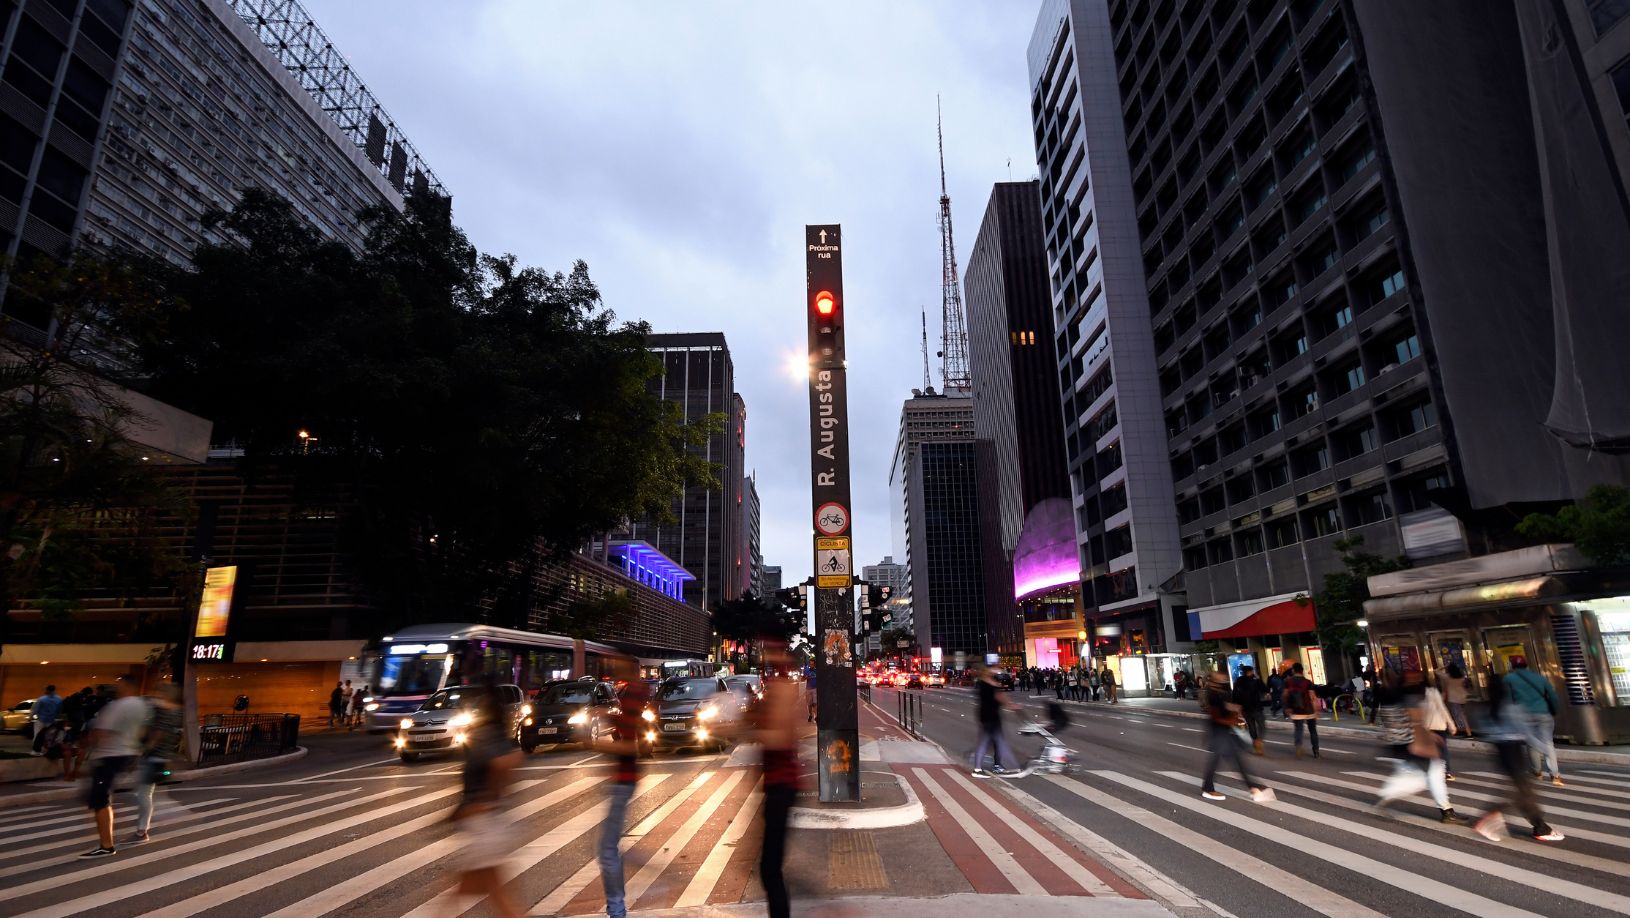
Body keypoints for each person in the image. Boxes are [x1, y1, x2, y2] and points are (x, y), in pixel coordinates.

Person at [449, 678, 523, 918]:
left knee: (484, 893)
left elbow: (504, 763)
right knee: (490, 893)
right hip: (492, 822)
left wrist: (485, 797)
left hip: (485, 824)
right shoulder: (499, 733)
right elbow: (514, 759)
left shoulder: (483, 734)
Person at [1471, 674, 1563, 843]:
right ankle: (1492, 818)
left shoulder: (1485, 709)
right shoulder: (1512, 708)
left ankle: (1540, 826)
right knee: (1520, 791)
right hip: (1514, 751)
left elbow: (1486, 733)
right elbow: (1526, 733)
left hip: (1500, 752)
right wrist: (1545, 749)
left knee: (1521, 789)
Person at [596, 657, 648, 918]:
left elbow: (632, 745)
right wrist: (609, 716)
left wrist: (594, 745)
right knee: (608, 847)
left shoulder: (635, 694)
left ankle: (616, 911)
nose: (613, 669)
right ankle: (616, 909)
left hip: (625, 778)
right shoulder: (630, 694)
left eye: (618, 665)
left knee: (606, 850)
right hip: (622, 778)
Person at [1375, 669, 1463, 824]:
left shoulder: (1385, 694)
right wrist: (1426, 738)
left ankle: (1389, 794)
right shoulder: (1409, 694)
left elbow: (1388, 721)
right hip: (1411, 741)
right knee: (1432, 773)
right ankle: (1446, 811)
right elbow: (1415, 719)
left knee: (1418, 772)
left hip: (1399, 742)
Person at [79, 674, 150, 857]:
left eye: (119, 684)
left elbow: (101, 732)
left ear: (126, 686)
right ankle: (106, 842)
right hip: (128, 754)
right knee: (102, 797)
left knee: (100, 800)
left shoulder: (118, 706)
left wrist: (87, 749)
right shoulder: (142, 705)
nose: (116, 688)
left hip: (110, 755)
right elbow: (144, 730)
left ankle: (106, 845)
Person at [756, 639, 802, 918]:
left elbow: (782, 737)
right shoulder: (774, 684)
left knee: (769, 869)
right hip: (776, 784)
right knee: (769, 868)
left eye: (770, 649)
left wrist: (744, 732)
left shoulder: (782, 687)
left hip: (782, 784)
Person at [1199, 671, 1274, 803]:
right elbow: (1216, 716)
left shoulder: (1220, 694)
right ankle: (1208, 788)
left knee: (1235, 760)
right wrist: (1233, 721)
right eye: (1222, 680)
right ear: (1215, 682)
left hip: (1225, 732)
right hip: (1219, 732)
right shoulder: (1213, 695)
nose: (1225, 682)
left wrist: (1234, 711)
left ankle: (1252, 787)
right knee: (1222, 761)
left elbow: (1225, 708)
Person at [132, 683, 183, 843]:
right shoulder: (176, 712)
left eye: (161, 691)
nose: (158, 693)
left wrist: (144, 749)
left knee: (143, 794)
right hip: (164, 758)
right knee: (149, 793)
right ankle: (144, 827)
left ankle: (142, 830)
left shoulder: (163, 711)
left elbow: (157, 734)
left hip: (154, 757)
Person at [1502, 657, 1562, 786]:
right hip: (1544, 713)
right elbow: (1552, 695)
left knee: (1532, 743)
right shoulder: (1539, 677)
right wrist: (1555, 710)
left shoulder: (1508, 679)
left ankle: (1537, 772)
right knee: (1548, 742)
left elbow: (1507, 698)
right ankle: (1555, 774)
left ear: (1511, 666)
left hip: (1524, 715)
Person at [972, 665, 1014, 777]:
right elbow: (1000, 697)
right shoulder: (989, 684)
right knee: (992, 742)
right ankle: (980, 769)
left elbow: (999, 696)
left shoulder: (984, 684)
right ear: (988, 672)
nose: (996, 672)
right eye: (993, 670)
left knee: (994, 742)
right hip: (990, 717)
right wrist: (1011, 705)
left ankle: (995, 766)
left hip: (988, 716)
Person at [1282, 663, 1320, 758]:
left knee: (1298, 729)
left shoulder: (1288, 682)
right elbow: (1313, 697)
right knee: (1313, 731)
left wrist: (1286, 707)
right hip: (1309, 710)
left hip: (1296, 710)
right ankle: (1316, 751)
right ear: (1302, 671)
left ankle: (1298, 745)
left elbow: (1285, 695)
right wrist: (1316, 711)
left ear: (1293, 670)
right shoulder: (1308, 682)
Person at [1424, 676, 1456, 781]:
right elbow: (1442, 708)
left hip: (1427, 727)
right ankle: (1446, 772)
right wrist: (1451, 724)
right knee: (1443, 749)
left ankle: (1435, 772)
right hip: (1439, 725)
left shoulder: (1418, 695)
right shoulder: (1433, 692)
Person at [1233, 665, 1267, 755]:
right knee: (1262, 726)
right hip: (1256, 707)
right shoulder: (1255, 681)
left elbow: (1234, 695)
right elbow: (1265, 689)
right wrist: (1259, 679)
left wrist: (1237, 708)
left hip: (1245, 708)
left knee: (1252, 727)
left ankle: (1255, 742)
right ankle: (1259, 741)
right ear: (1250, 672)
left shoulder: (1239, 681)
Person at [30, 684, 63, 755]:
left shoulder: (42, 699)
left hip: (41, 720)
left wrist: (31, 717)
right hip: (51, 720)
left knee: (37, 735)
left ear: (47, 690)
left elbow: (35, 709)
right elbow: (59, 711)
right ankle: (45, 750)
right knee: (48, 736)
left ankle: (36, 750)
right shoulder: (59, 699)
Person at [1442, 663, 1471, 736]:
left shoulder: (1447, 677)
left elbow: (1436, 671)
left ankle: (1463, 731)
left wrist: (1444, 666)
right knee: (1462, 714)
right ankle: (1468, 731)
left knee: (1457, 715)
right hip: (1462, 698)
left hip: (1454, 699)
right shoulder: (1461, 676)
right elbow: (1466, 686)